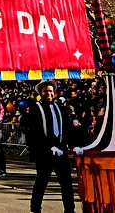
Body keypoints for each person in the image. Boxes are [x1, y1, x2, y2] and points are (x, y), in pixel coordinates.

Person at [22, 81, 75, 213]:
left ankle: (70, 209)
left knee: (66, 182)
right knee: (42, 181)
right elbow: (33, 131)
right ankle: (35, 209)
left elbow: (67, 128)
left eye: (51, 91)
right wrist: (48, 146)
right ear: (41, 93)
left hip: (61, 150)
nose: (49, 93)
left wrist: (73, 145)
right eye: (46, 91)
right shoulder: (35, 108)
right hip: (44, 152)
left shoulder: (60, 108)